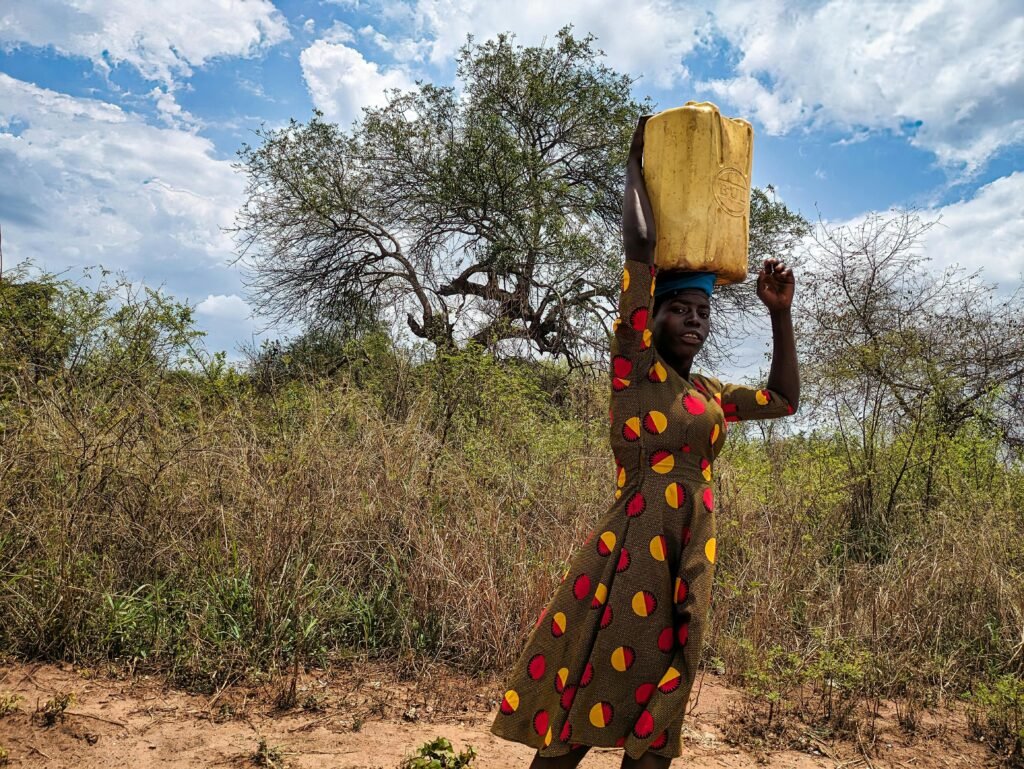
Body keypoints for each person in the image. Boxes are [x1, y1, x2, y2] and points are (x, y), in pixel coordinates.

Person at [490, 115, 800, 768]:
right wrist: (636, 163)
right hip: (632, 548)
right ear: (651, 316)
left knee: (667, 678)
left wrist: (780, 314)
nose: (694, 320)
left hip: (687, 549)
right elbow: (639, 247)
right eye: (680, 309)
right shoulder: (634, 368)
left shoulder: (711, 395)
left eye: (703, 311)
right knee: (593, 676)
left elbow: (783, 399)